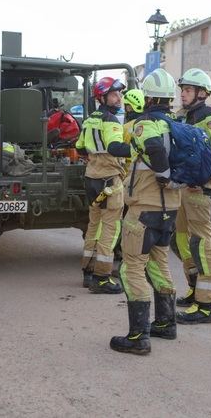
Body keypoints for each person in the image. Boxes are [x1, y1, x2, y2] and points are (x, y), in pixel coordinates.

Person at [110, 68, 180, 355]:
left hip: (144, 208)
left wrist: (162, 173)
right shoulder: (175, 125)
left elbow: (152, 148)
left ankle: (138, 336)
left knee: (131, 268)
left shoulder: (145, 124)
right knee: (159, 264)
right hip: (170, 208)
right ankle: (166, 323)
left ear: (148, 98)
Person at [173, 68, 211, 324]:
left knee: (201, 244)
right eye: (183, 90)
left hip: (199, 191)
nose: (183, 94)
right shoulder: (184, 117)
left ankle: (206, 306)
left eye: (188, 90)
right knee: (181, 241)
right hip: (183, 190)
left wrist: (204, 176)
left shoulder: (209, 116)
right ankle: (194, 288)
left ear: (202, 93)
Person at [75, 77, 131, 293]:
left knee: (93, 226)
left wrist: (93, 156)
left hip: (91, 180)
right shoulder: (111, 121)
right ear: (103, 97)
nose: (119, 98)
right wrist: (138, 148)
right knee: (110, 228)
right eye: (115, 94)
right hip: (109, 181)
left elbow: (80, 147)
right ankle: (102, 277)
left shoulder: (89, 120)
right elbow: (116, 148)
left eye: (119, 94)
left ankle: (88, 273)